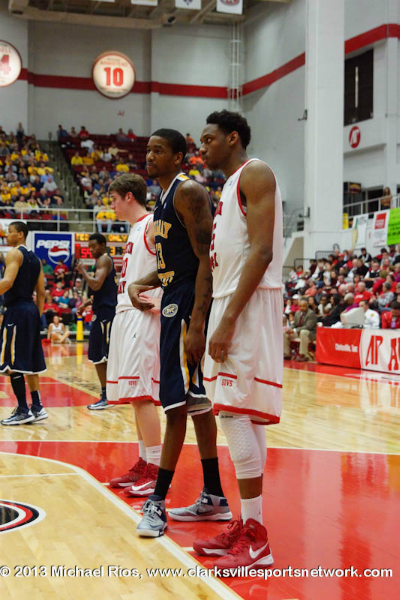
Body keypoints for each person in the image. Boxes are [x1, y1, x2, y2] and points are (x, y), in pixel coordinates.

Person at [129, 128, 231, 537]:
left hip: (187, 303)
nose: (150, 156)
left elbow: (206, 258)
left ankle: (157, 503)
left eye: (159, 150)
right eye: (148, 149)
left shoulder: (187, 191)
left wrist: (199, 323)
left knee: (175, 406)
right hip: (174, 295)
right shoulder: (164, 197)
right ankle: (215, 496)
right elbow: (178, 260)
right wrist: (143, 281)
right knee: (197, 404)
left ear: (177, 157)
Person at [193, 110, 283, 568]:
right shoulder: (228, 186)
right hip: (232, 303)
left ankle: (256, 539)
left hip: (245, 306)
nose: (201, 147)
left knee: (231, 413)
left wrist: (227, 319)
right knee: (242, 414)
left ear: (232, 138)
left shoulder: (256, 172)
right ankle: (250, 523)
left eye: (208, 139)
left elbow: (262, 251)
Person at [106, 173, 163, 496]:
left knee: (142, 395)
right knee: (133, 396)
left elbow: (171, 267)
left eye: (114, 199)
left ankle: (156, 469)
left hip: (145, 313)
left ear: (129, 196)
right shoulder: (135, 228)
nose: (111, 206)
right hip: (126, 314)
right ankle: (144, 461)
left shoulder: (153, 223)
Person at [0, 221, 48, 425]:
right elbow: (42, 293)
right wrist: (36, 316)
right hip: (31, 311)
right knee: (30, 361)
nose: (6, 235)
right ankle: (37, 406)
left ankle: (22, 410)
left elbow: (7, 282)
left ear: (20, 234)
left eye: (10, 232)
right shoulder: (36, 259)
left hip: (17, 311)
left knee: (12, 362)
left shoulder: (14, 253)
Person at [76, 233, 117, 410]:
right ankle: (109, 394)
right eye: (89, 247)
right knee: (98, 355)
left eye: (93, 246)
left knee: (102, 356)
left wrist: (83, 271)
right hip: (101, 311)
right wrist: (86, 303)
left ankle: (108, 395)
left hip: (106, 313)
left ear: (103, 245)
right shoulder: (100, 262)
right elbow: (102, 291)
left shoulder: (104, 260)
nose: (91, 250)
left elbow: (96, 285)